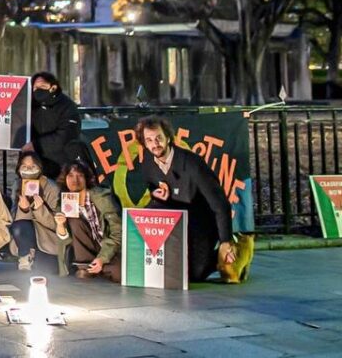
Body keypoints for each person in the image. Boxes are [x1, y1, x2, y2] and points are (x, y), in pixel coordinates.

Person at [136, 115, 236, 282]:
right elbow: (152, 186)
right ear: (144, 143)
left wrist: (226, 241)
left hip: (200, 221)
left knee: (194, 275)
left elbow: (220, 204)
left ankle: (227, 254)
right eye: (149, 140)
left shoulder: (192, 164)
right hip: (174, 219)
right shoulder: (147, 161)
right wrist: (156, 193)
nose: (155, 144)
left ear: (168, 137)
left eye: (159, 138)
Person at [56, 160, 121, 281]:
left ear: (86, 178)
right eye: (70, 176)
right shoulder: (63, 203)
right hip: (84, 253)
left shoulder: (102, 198)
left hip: (108, 248)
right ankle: (84, 268)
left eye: (80, 175)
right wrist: (60, 225)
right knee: (74, 221)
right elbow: (67, 241)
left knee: (118, 274)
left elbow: (117, 231)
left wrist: (102, 258)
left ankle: (99, 269)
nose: (75, 180)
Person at [8, 150, 64, 273]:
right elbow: (14, 219)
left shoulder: (51, 187)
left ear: (39, 168)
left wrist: (39, 209)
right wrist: (24, 209)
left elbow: (56, 224)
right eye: (24, 166)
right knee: (19, 226)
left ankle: (37, 257)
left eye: (32, 166)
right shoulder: (17, 185)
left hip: (46, 237)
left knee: (46, 270)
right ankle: (24, 256)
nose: (28, 170)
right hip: (25, 235)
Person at [26, 72, 84, 180]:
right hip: (36, 163)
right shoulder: (30, 105)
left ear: (53, 87)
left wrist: (37, 145)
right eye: (35, 87)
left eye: (43, 86)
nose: (38, 90)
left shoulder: (67, 106)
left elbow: (67, 134)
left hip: (61, 164)